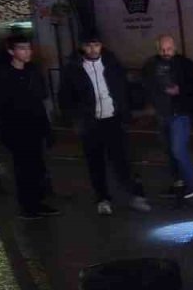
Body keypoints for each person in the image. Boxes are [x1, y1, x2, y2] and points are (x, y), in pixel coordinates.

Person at [59, 32, 151, 216]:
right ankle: (102, 198)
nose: (93, 50)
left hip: (113, 120)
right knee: (96, 162)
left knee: (123, 160)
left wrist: (128, 111)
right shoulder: (73, 69)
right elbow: (65, 97)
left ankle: (135, 195)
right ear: (82, 47)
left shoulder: (112, 65)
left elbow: (123, 88)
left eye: (96, 45)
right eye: (89, 46)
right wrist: (76, 119)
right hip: (90, 123)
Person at [0, 34, 58, 220]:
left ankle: (38, 202)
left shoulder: (32, 71)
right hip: (17, 129)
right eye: (22, 49)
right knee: (23, 169)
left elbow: (40, 101)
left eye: (28, 48)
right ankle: (28, 206)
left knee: (38, 167)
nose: (27, 52)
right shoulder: (3, 76)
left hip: (35, 126)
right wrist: (3, 131)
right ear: (12, 51)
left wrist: (47, 129)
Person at [141, 34, 193, 200]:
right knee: (169, 151)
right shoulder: (151, 65)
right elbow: (146, 85)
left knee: (178, 150)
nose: (165, 52)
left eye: (168, 49)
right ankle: (178, 183)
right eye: (162, 49)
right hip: (163, 114)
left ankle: (190, 184)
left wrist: (180, 91)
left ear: (174, 47)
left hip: (179, 114)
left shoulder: (184, 65)